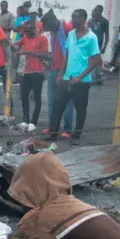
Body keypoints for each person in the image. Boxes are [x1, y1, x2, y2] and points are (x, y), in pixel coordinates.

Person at [47, 9, 101, 142]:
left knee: (80, 109)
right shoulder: (70, 34)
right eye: (72, 18)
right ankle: (53, 133)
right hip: (67, 78)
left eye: (76, 18)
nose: (73, 21)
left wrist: (80, 77)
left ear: (84, 19)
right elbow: (67, 57)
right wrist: (60, 74)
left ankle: (76, 135)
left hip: (82, 81)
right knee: (58, 106)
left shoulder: (91, 38)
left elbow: (96, 60)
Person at [15, 19, 51, 130]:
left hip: (38, 72)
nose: (26, 34)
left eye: (28, 32)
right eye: (25, 32)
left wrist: (29, 53)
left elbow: (45, 55)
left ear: (34, 29)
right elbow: (17, 44)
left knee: (36, 98)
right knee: (24, 96)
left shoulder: (42, 39)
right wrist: (16, 48)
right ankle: (25, 119)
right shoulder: (26, 37)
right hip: (26, 71)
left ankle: (33, 122)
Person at [88, 5, 109, 84]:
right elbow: (87, 32)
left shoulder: (104, 21)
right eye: (94, 10)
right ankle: (98, 78)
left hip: (98, 43)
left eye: (96, 10)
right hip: (90, 43)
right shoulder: (90, 21)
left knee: (94, 60)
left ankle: (94, 78)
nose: (94, 11)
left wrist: (105, 46)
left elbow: (107, 35)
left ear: (100, 11)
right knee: (94, 60)